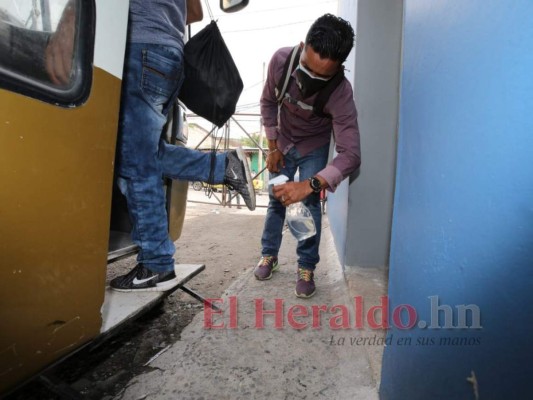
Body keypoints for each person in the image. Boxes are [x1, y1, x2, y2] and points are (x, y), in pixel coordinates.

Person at [110, 0, 256, 292]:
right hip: (170, 56)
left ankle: (156, 262)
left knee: (136, 164)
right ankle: (223, 166)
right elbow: (195, 12)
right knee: (146, 155)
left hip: (139, 47)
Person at [255, 14, 360, 298]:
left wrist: (310, 184)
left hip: (313, 145)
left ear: (338, 69)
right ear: (303, 47)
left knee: (308, 205)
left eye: (322, 76)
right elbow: (267, 102)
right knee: (276, 200)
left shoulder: (341, 93)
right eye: (307, 68)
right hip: (283, 142)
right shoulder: (281, 61)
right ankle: (269, 255)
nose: (310, 80)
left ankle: (306, 267)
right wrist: (273, 146)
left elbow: (351, 154)